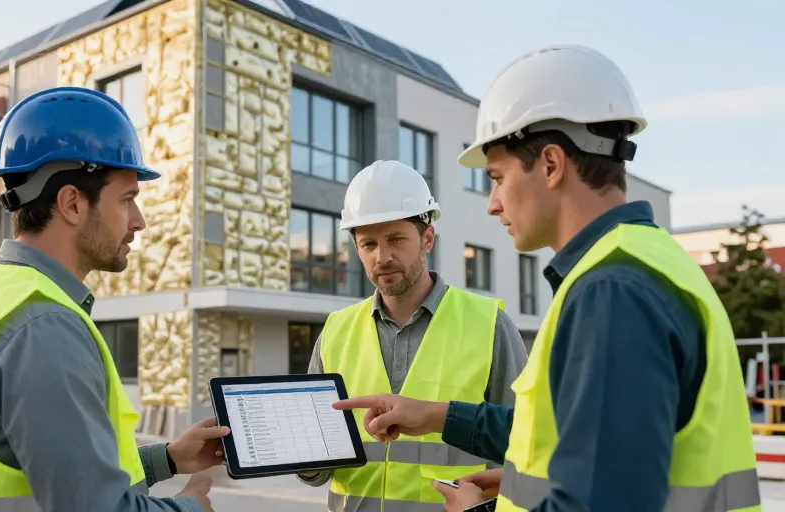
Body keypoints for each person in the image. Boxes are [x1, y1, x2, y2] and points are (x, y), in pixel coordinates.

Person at [332, 45, 760, 512]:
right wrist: (437, 416)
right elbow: (560, 432)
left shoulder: (611, 292)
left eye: (497, 177)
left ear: (552, 165)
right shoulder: (647, 263)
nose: (492, 203)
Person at [0, 86, 229, 512]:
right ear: (72, 204)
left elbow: (52, 472)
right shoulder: (43, 328)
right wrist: (192, 508)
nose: (140, 221)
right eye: (127, 199)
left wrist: (168, 458)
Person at [297, 160, 528, 510]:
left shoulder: (490, 325)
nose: (383, 256)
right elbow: (317, 463)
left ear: (427, 238)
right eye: (368, 244)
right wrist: (300, 460)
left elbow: (526, 442)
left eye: (395, 239)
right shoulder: (335, 331)